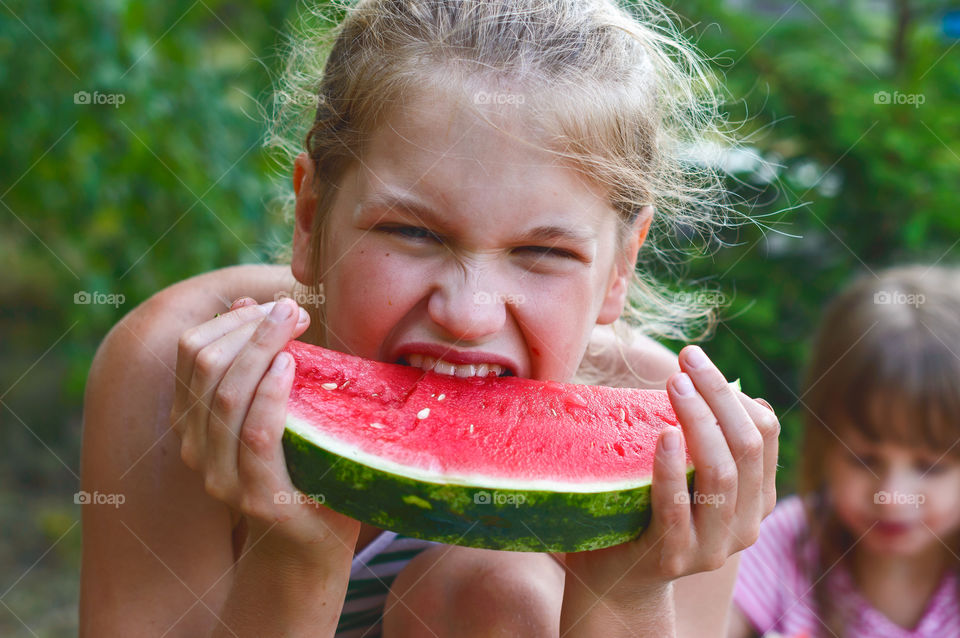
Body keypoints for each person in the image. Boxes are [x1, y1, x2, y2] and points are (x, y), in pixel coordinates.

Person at [79, 1, 779, 636]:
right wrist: (294, 560)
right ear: (310, 215)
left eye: (542, 251)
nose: (469, 315)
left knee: (500, 588)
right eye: (413, 233)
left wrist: (627, 597)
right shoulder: (174, 370)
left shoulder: (677, 442)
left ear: (620, 267)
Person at [727, 265, 960, 638]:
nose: (892, 496)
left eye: (931, 467)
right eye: (863, 459)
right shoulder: (780, 544)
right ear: (823, 443)